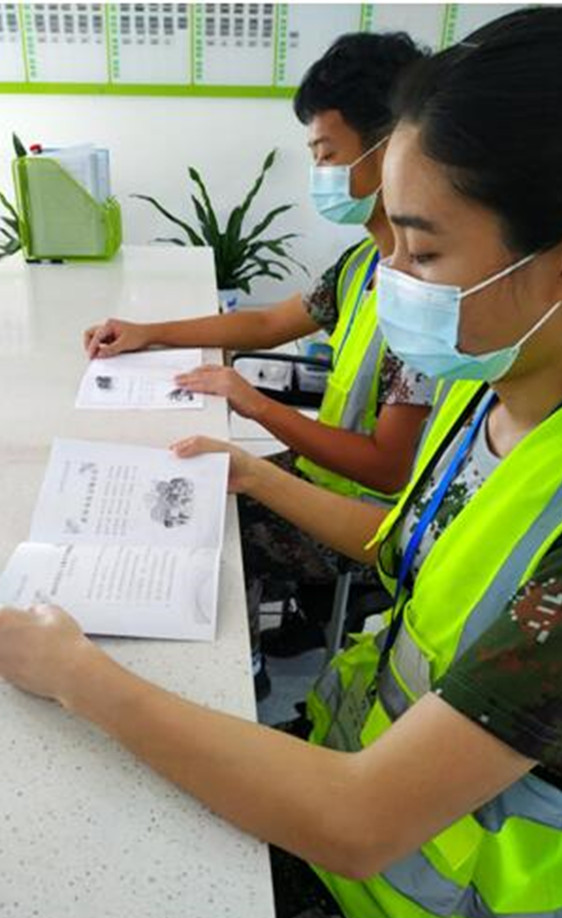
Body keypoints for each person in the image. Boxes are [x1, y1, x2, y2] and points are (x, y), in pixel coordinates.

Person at [0, 6, 562, 918]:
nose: (392, 272)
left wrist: (74, 674)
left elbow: (359, 820)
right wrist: (254, 473)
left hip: (402, 891)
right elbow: (403, 542)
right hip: (348, 764)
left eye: (422, 250)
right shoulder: (488, 391)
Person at [85, 33, 437, 689]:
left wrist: (255, 404)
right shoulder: (362, 264)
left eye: (327, 154)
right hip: (320, 476)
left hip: (360, 517)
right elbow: (268, 322)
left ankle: (235, 677)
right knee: (186, 479)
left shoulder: (423, 302)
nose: (321, 173)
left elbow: (387, 469)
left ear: (392, 149)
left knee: (205, 521)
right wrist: (148, 333)